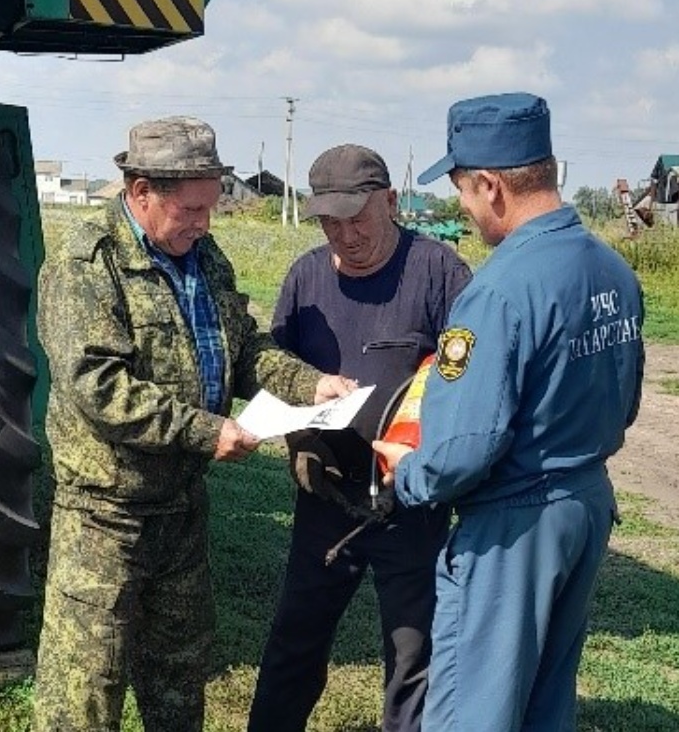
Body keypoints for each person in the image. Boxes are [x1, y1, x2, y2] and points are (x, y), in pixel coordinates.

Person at [34, 116, 355, 732]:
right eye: (191, 209)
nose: (204, 223)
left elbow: (243, 348)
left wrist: (308, 383)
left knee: (180, 675)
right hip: (107, 517)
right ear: (140, 193)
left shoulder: (204, 257)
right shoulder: (87, 267)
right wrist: (209, 433)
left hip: (182, 511)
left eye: (212, 206)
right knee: (84, 688)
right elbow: (100, 389)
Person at [371, 93, 645, 732]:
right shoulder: (611, 269)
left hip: (513, 526)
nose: (463, 209)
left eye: (464, 191)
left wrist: (406, 473)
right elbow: (623, 405)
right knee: (544, 702)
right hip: (585, 504)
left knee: (474, 710)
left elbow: (462, 451)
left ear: (491, 186)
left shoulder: (496, 291)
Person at [248, 145, 473, 732]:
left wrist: (429, 461)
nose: (345, 236)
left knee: (412, 657)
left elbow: (465, 384)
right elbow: (277, 372)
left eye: (358, 219)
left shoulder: (440, 273)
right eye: (329, 222)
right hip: (328, 499)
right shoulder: (305, 278)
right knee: (294, 642)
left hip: (412, 502)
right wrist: (302, 441)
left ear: (392, 202)